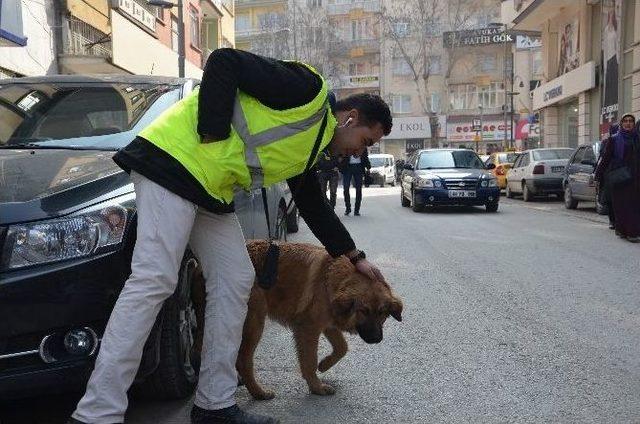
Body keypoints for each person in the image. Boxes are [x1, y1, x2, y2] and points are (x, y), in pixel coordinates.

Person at [69, 48, 392, 424]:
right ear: (351, 118)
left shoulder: (311, 147)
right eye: (366, 142)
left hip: (209, 188)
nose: (359, 153)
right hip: (173, 163)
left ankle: (214, 405)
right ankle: (97, 413)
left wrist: (355, 257)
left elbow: (314, 207)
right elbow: (224, 61)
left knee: (237, 278)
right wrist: (213, 132)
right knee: (154, 278)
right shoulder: (308, 92)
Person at [595, 113, 640, 242]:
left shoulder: (638, 138)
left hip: (636, 178)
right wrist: (597, 175)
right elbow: (606, 159)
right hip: (620, 178)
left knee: (634, 206)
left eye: (631, 121)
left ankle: (632, 232)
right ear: (621, 123)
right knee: (621, 206)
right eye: (625, 121)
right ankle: (622, 230)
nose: (628, 123)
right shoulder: (614, 139)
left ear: (633, 123)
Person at [340, 148, 371, 216]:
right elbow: (341, 155)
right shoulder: (347, 145)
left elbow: (365, 156)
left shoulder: (362, 145)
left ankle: (357, 210)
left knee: (359, 189)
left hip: (359, 167)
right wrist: (340, 165)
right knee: (346, 188)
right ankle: (348, 208)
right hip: (347, 167)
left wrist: (368, 166)